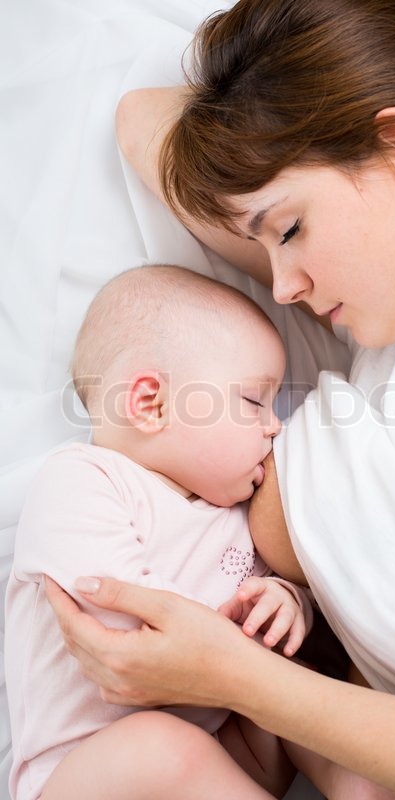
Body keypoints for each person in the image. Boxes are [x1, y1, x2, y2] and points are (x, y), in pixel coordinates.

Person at [45, 0, 395, 797]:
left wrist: (239, 680)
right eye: (267, 241)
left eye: (290, 230)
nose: (281, 286)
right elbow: (142, 119)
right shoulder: (391, 320)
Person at [6, 264, 316, 800]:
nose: (275, 425)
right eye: (252, 402)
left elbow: (260, 614)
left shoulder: (237, 515)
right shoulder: (84, 480)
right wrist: (241, 648)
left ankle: (370, 777)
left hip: (221, 749)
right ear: (151, 404)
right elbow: (128, 624)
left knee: (305, 696)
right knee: (161, 745)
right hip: (85, 772)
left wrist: (287, 602)